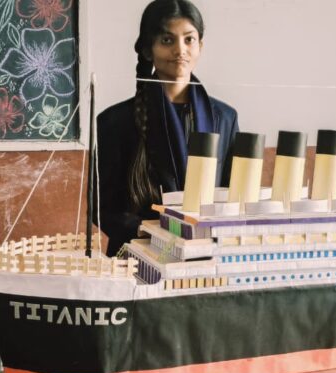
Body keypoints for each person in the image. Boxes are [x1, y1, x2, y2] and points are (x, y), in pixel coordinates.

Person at [95, 0, 239, 256]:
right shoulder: (115, 121)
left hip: (203, 255)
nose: (180, 50)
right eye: (167, 40)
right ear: (148, 49)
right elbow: (101, 208)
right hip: (137, 254)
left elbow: (233, 197)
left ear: (200, 45)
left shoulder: (225, 118)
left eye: (189, 39)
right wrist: (151, 231)